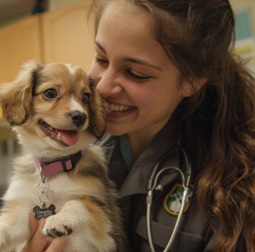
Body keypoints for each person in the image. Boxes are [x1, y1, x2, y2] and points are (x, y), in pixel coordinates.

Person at [21, 0, 255, 251]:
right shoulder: (68, 146)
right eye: (101, 58)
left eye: (136, 73)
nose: (102, 87)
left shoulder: (237, 184)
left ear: (193, 79)